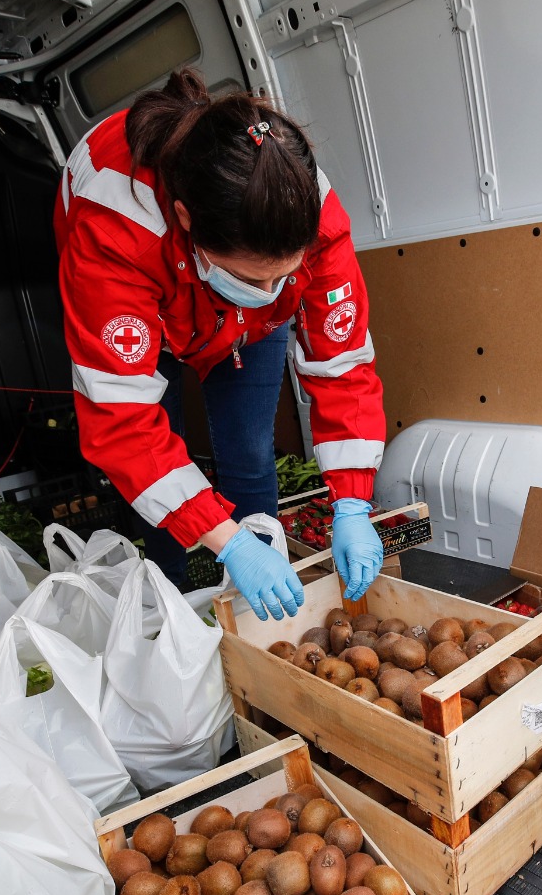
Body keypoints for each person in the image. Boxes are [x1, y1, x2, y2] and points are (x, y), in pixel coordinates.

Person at [54, 69, 386, 618]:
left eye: (283, 276)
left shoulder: (308, 210)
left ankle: (258, 597)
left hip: (240, 326)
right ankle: (173, 594)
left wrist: (352, 500)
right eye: (250, 279)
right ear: (186, 220)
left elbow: (342, 361)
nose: (266, 293)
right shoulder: (114, 229)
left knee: (251, 448)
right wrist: (224, 540)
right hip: (147, 311)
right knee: (164, 444)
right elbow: (124, 423)